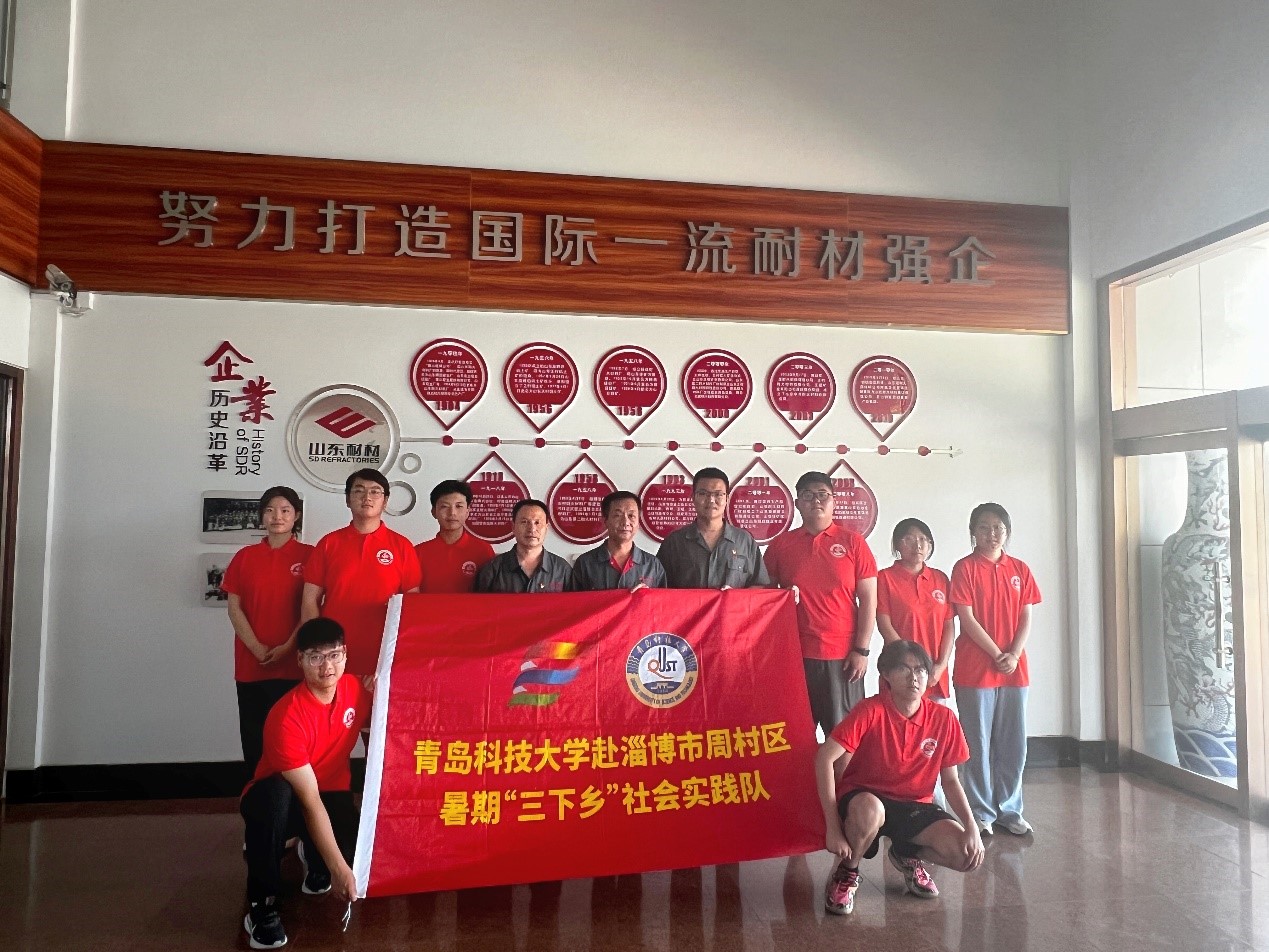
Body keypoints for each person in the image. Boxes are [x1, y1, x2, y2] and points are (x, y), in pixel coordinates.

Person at [816, 640, 984, 917]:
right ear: (886, 675)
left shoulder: (943, 718)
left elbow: (951, 781)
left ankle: (906, 852)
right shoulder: (870, 710)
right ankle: (847, 872)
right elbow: (824, 758)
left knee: (967, 855)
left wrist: (971, 827)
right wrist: (832, 828)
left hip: (914, 805)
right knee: (871, 811)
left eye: (920, 670)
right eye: (904, 669)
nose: (913, 677)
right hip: (865, 799)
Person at [240, 618, 370, 949]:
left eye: (334, 655)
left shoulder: (355, 690)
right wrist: (338, 869)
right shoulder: (286, 717)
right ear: (300, 660)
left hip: (330, 792)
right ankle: (261, 906)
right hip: (282, 801)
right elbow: (309, 801)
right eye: (315, 657)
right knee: (275, 799)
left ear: (345, 654)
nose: (327, 666)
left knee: (354, 846)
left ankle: (313, 851)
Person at [950, 502, 1042, 837]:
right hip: (975, 668)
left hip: (1015, 669)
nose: (992, 534)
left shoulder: (1020, 569)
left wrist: (1013, 654)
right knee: (977, 742)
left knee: (1013, 742)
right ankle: (981, 812)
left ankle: (1010, 809)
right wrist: (996, 653)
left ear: (1007, 532)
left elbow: (1026, 615)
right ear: (973, 531)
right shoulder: (965, 568)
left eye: (998, 528)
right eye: (984, 527)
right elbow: (966, 617)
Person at [764, 472, 877, 738]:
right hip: (795, 655)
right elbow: (764, 596)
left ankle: (842, 772)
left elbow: (869, 599)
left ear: (834, 501)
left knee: (843, 738)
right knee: (794, 734)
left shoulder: (853, 543)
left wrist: (861, 650)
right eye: (808, 495)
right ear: (797, 504)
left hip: (844, 658)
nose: (816, 500)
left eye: (822, 495)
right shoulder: (781, 545)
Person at [222, 486, 313, 777]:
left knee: (293, 742)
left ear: (296, 516)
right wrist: (256, 648)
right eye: (270, 510)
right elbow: (234, 608)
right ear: (261, 515)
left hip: (295, 665)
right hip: (252, 665)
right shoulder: (245, 557)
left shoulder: (310, 556)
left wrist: (288, 647)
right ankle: (258, 800)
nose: (277, 517)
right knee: (255, 740)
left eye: (285, 510)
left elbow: (311, 608)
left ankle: (293, 804)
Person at [301, 469, 421, 677]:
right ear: (348, 500)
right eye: (359, 490)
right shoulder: (329, 544)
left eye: (375, 491)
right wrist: (317, 646)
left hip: (384, 652)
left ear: (385, 501)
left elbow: (412, 602)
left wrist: (402, 651)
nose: (367, 497)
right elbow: (310, 599)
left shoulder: (402, 546)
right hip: (333, 654)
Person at [876, 518, 955, 700]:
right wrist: (911, 664)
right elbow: (884, 623)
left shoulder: (940, 579)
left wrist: (941, 665)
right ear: (898, 544)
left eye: (923, 539)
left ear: (930, 545)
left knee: (935, 717)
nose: (917, 545)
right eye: (909, 539)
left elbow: (949, 625)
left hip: (934, 673)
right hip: (900, 668)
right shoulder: (885, 578)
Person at [655, 467, 769, 589]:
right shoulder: (674, 542)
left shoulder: (744, 541)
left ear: (727, 498)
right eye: (703, 494)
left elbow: (759, 586)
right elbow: (658, 587)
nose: (711, 500)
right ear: (693, 498)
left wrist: (735, 596)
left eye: (718, 494)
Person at [571, 490, 667, 591]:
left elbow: (663, 600)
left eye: (631, 516)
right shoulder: (585, 563)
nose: (625, 522)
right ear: (605, 521)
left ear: (638, 522)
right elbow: (574, 600)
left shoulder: (653, 565)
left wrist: (649, 595)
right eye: (617, 515)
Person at [474, 498, 572, 593]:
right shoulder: (493, 569)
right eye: (524, 522)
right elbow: (480, 603)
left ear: (546, 528)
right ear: (513, 527)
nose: (532, 529)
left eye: (537, 522)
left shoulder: (562, 569)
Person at [414, 479, 495, 593]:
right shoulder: (418, 552)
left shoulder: (483, 550)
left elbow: (490, 595)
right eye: (444, 506)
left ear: (467, 511)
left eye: (459, 506)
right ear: (434, 512)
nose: (452, 513)